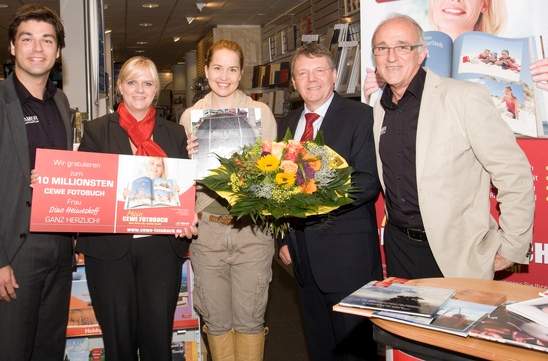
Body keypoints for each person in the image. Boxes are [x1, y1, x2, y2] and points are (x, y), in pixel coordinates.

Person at [370, 13, 535, 280]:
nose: (391, 57)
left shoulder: (464, 98)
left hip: (457, 255)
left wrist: (512, 246)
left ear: (422, 53)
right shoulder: (379, 108)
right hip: (399, 248)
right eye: (382, 48)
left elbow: (514, 174)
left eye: (402, 47)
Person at [0, 3, 73, 361]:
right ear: (12, 46)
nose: (38, 48)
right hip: (13, 254)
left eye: (47, 40)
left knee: (50, 349)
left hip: (59, 249)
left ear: (57, 50)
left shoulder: (62, 103)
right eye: (27, 39)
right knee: (12, 352)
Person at [75, 56, 197, 361]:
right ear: (120, 87)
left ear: (156, 89)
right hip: (109, 250)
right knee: (118, 340)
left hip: (160, 250)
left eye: (147, 83)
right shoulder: (95, 131)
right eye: (132, 82)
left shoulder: (175, 134)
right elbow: (86, 188)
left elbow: (183, 190)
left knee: (158, 339)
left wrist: (187, 213)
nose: (139, 89)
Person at [277, 43, 382, 361]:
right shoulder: (287, 123)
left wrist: (310, 199)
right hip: (303, 261)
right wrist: (283, 237)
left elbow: (366, 183)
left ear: (334, 75)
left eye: (319, 70)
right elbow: (276, 186)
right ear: (293, 82)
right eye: (303, 73)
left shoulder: (360, 117)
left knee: (355, 352)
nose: (311, 79)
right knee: (319, 348)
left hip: (347, 261)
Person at [179, 40, 277, 361]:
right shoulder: (190, 117)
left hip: (251, 231)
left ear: (241, 73)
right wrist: (188, 157)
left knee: (250, 320)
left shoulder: (259, 114)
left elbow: (273, 178)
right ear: (206, 71)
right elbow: (182, 184)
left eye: (232, 69)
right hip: (207, 232)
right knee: (217, 321)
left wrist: (264, 161)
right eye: (217, 68)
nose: (224, 76)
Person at [364, 0, 548, 100]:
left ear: (485, 1)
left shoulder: (519, 57)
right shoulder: (403, 54)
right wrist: (379, 90)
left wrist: (542, 95)